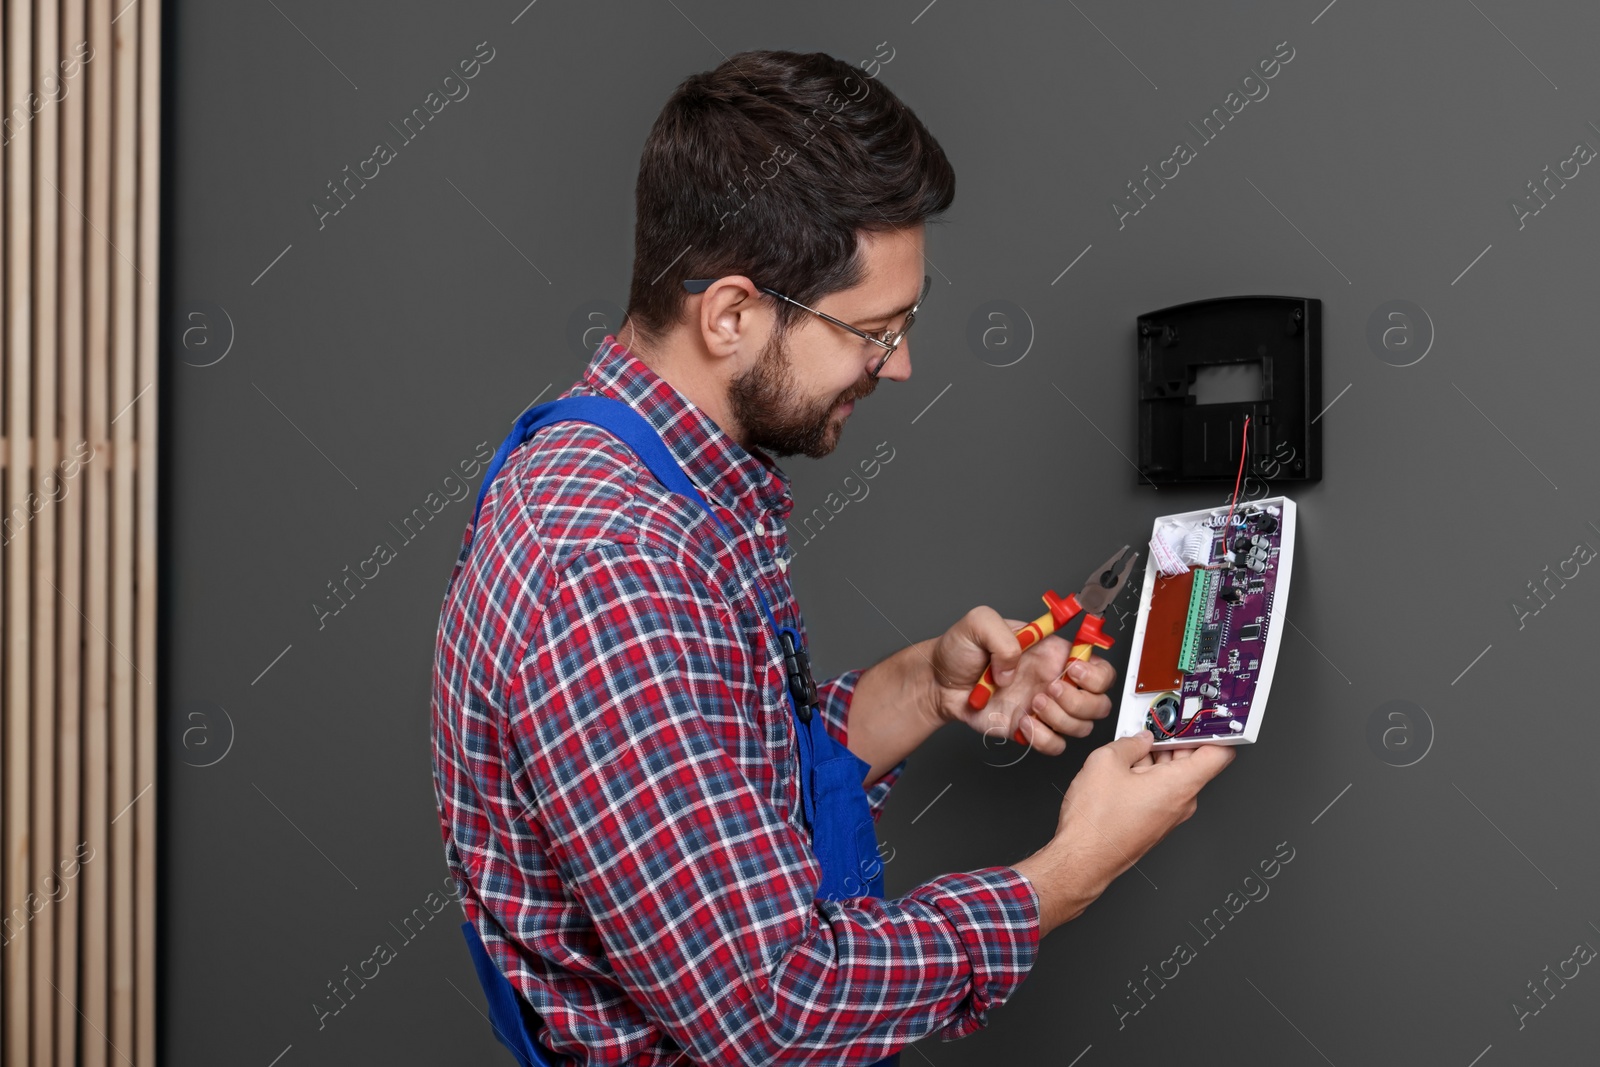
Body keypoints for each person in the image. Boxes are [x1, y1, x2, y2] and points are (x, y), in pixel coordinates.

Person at [430, 48, 1234, 1066]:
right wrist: (1067, 871)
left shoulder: (644, 473)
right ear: (729, 314)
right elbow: (773, 1008)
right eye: (872, 330)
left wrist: (925, 687)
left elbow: (720, 779)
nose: (898, 364)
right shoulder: (612, 565)